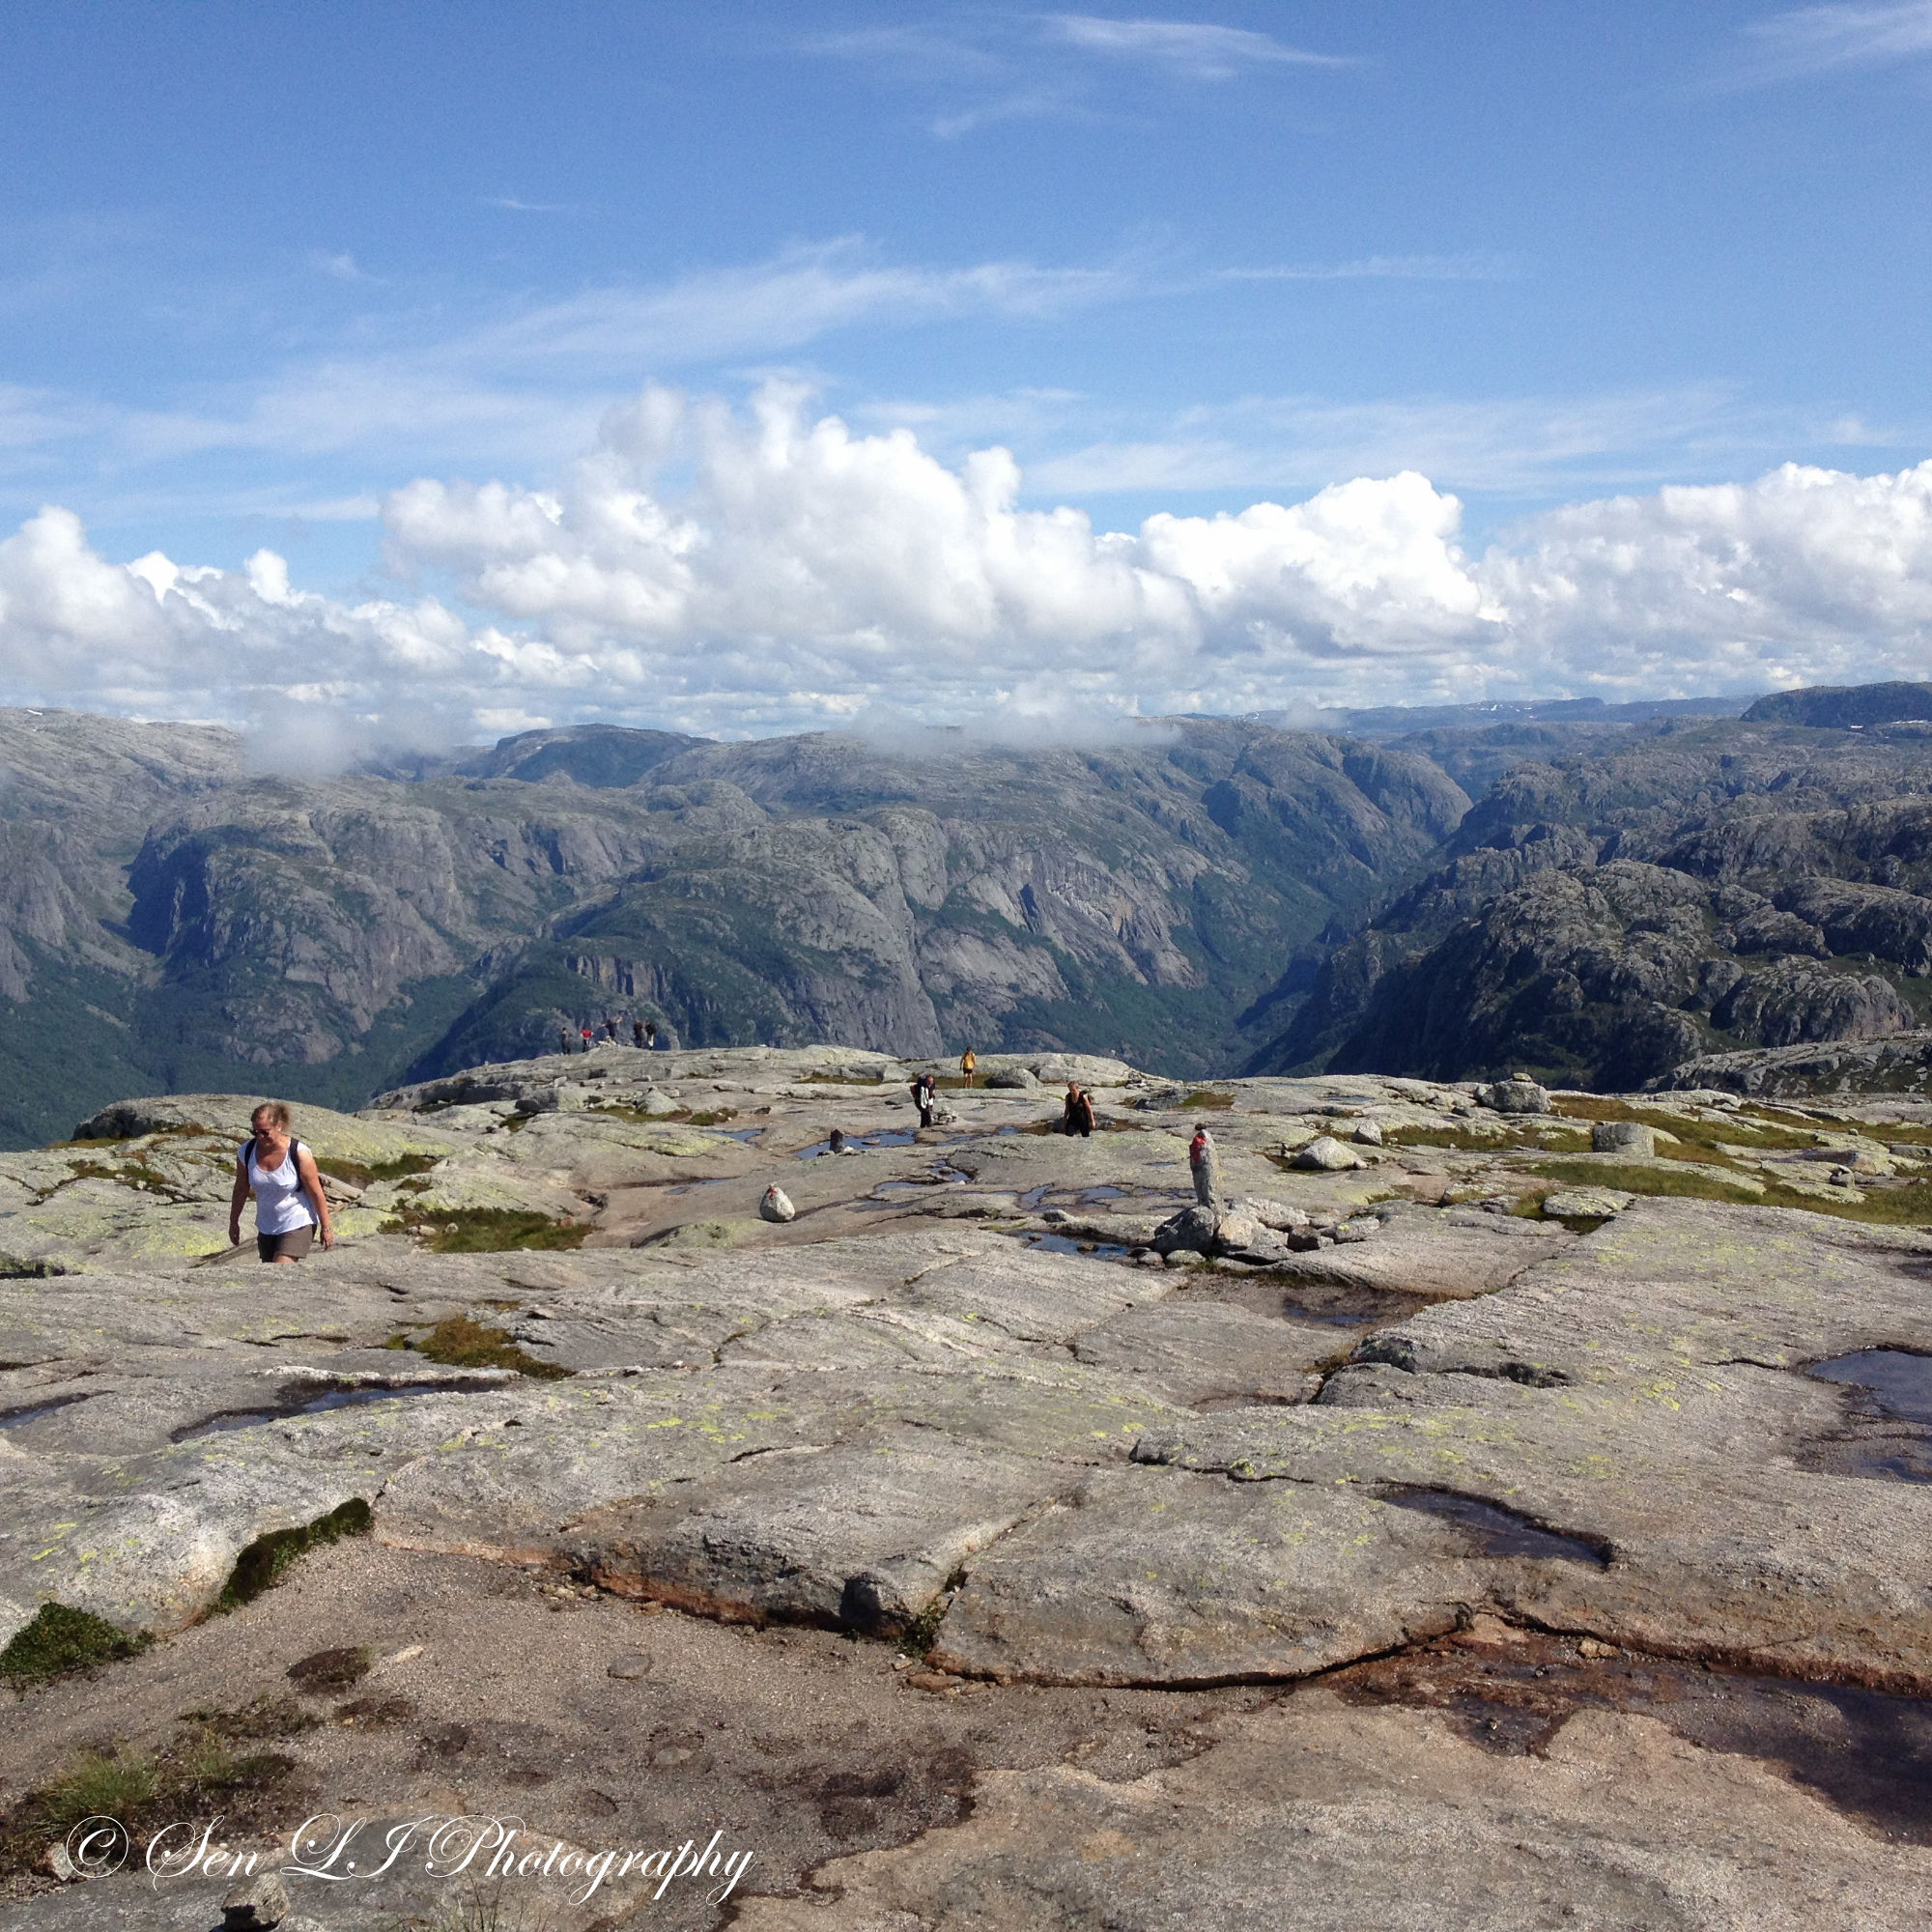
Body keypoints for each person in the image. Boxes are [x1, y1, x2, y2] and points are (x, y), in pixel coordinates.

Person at [228, 1101, 333, 1264]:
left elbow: (315, 1191)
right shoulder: (246, 1152)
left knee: (280, 1268)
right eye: (255, 1132)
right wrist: (233, 1222)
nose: (260, 1137)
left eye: (265, 1132)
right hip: (267, 1225)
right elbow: (241, 1189)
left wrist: (326, 1227)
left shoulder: (299, 1153)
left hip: (298, 1221)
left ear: (279, 1126)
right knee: (270, 1274)